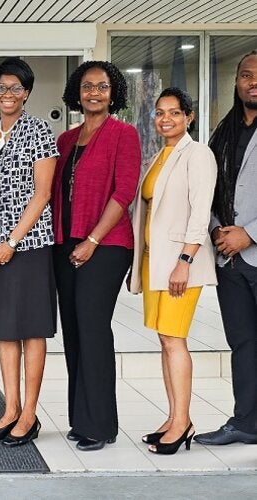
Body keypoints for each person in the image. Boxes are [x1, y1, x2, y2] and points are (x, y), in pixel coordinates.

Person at [0, 58, 58, 447]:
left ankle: (30, 414)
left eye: (16, 88)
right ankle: (10, 409)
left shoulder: (39, 130)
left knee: (31, 328)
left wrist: (12, 242)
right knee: (5, 330)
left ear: (27, 93)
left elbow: (43, 193)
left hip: (28, 246)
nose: (8, 94)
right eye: (1, 87)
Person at [52, 61, 140, 451]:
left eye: (102, 87)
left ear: (113, 93)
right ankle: (81, 418)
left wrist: (92, 240)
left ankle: (101, 425)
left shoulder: (124, 134)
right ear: (77, 92)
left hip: (106, 246)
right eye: (87, 86)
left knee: (93, 327)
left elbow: (124, 192)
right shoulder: (66, 140)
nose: (94, 93)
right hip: (65, 244)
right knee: (73, 331)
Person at [128, 87, 217, 454]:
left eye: (175, 112)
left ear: (189, 117)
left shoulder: (198, 154)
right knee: (165, 340)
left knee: (175, 339)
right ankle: (174, 418)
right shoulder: (159, 155)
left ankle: (182, 424)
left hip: (180, 264)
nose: (166, 119)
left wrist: (185, 261)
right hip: (155, 262)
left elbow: (200, 212)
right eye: (160, 113)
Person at [195, 50, 257, 447]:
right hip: (229, 259)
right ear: (236, 81)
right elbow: (211, 187)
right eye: (246, 75)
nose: (254, 82)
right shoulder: (225, 131)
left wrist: (249, 234)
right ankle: (246, 422)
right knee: (243, 343)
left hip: (251, 247)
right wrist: (218, 228)